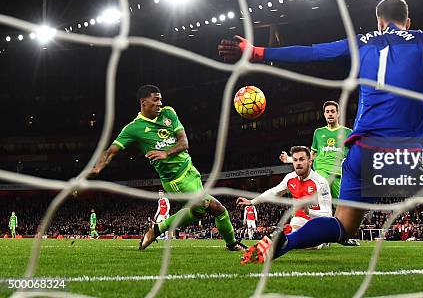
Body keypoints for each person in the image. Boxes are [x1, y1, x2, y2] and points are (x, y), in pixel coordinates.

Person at [219, 0, 423, 262]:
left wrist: (258, 52)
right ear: (406, 22)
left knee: (343, 226)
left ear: (379, 22)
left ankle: (285, 243)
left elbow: (311, 52)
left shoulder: (362, 42)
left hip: (358, 153)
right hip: (401, 151)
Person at [88, 84, 246, 251]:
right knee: (217, 209)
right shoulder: (133, 129)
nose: (159, 103)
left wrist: (166, 153)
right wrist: (98, 168)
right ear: (143, 102)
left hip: (191, 170)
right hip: (176, 180)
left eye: (160, 100)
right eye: (155, 100)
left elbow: (184, 142)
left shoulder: (168, 113)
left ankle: (157, 229)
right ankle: (232, 244)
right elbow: (111, 151)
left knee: (197, 213)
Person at [280, 101, 359, 246]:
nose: (330, 114)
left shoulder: (347, 133)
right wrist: (290, 160)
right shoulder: (319, 133)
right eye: (327, 111)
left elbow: (354, 154)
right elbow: (311, 155)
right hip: (322, 173)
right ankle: (296, 229)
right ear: (324, 114)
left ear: (338, 114)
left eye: (332, 111)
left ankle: (339, 236)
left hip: (339, 174)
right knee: (316, 204)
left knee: (343, 207)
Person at [236, 146, 332, 261]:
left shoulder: (321, 182)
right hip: (300, 218)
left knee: (304, 243)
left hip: (318, 221)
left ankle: (322, 242)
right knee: (291, 237)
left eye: (302, 159)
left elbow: (328, 215)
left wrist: (309, 211)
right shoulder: (290, 178)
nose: (298, 163)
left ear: (310, 161)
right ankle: (260, 252)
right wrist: (252, 202)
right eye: (295, 160)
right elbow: (273, 192)